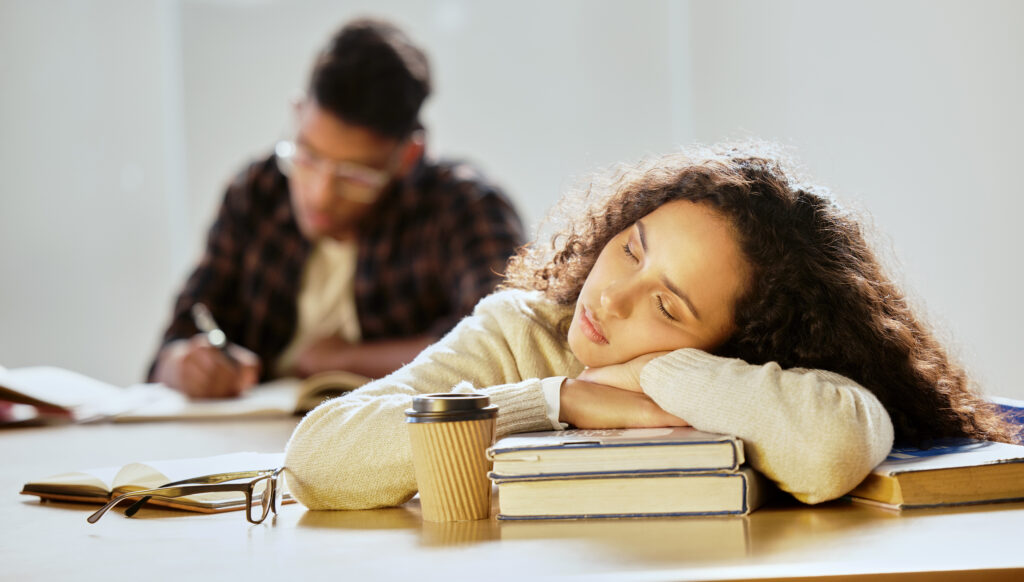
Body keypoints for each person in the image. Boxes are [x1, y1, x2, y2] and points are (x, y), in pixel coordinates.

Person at [283, 142, 1020, 510]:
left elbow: (829, 451)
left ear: (743, 341)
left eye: (669, 307)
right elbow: (316, 458)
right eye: (631, 249)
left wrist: (651, 374)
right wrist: (553, 401)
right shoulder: (524, 331)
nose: (612, 299)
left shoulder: (753, 383)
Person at [148, 19, 524, 398]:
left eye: (355, 177)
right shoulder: (258, 191)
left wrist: (337, 360)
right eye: (308, 156)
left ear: (408, 157)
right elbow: (173, 345)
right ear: (297, 114)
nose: (320, 195)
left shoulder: (463, 207)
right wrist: (185, 365)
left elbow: (504, 345)